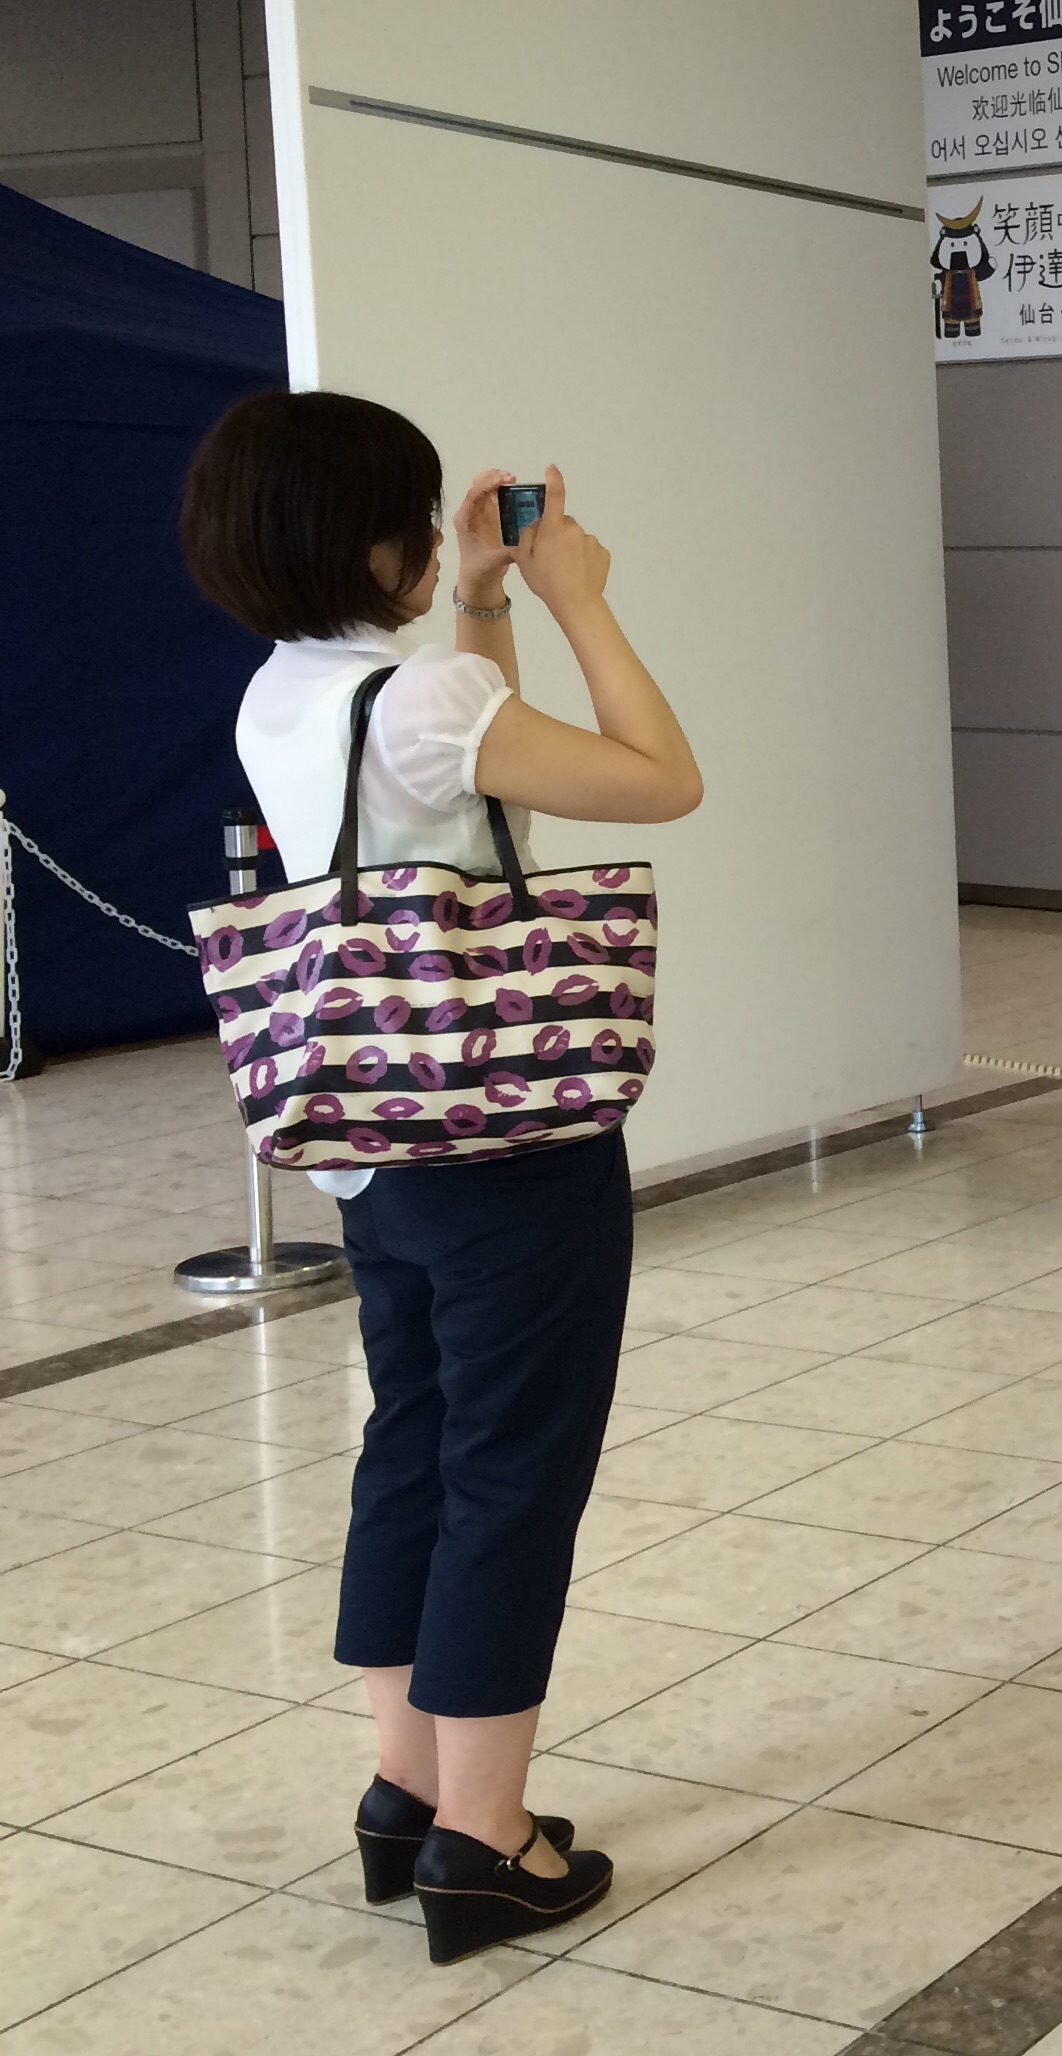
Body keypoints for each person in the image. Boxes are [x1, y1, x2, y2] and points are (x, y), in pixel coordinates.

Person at [179, 392, 703, 1964]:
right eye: (415, 522)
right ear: (364, 544)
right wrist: (574, 595)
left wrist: (479, 600)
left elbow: (464, 793)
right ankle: (487, 1840)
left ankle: (404, 1792)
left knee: (413, 1442)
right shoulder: (428, 696)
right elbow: (659, 777)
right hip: (508, 1143)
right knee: (513, 1469)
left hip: (372, 1140)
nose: (431, 540)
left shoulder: (284, 694)